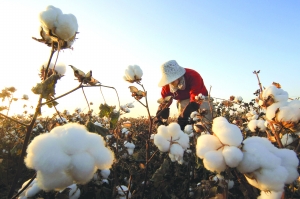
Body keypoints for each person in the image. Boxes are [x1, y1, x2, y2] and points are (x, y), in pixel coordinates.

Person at [156, 60, 212, 130]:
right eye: (170, 81)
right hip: (183, 101)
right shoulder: (167, 87)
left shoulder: (193, 76)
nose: (171, 83)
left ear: (179, 75)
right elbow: (165, 102)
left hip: (201, 99)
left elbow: (195, 98)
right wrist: (160, 117)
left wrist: (184, 115)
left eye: (173, 80)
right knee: (185, 127)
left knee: (204, 124)